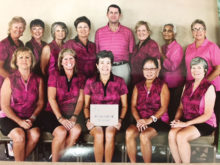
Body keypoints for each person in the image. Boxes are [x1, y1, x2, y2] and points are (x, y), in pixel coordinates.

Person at [168, 57, 216, 163]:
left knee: (181, 136)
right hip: (187, 119)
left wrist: (185, 124)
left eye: (199, 68)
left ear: (205, 70)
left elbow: (207, 114)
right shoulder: (187, 85)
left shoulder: (209, 87)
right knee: (171, 134)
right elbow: (181, 107)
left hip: (205, 122)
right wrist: (176, 121)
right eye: (193, 68)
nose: (196, 71)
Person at [0, 47, 44, 161]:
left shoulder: (38, 80)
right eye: (21, 57)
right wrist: (19, 122)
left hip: (29, 117)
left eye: (27, 57)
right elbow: (5, 106)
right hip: (10, 117)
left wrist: (32, 119)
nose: (24, 60)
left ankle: (18, 161)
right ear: (16, 61)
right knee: (19, 136)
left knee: (35, 135)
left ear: (32, 60)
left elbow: (40, 102)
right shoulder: (9, 80)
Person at [40, 48, 84, 162]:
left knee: (76, 130)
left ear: (75, 60)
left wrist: (74, 116)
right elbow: (51, 98)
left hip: (71, 113)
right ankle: (55, 162)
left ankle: (57, 158)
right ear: (61, 61)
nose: (68, 61)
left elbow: (80, 100)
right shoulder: (54, 75)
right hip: (52, 112)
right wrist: (61, 119)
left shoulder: (81, 77)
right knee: (61, 132)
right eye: (65, 59)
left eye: (71, 58)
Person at [84, 50, 128, 162]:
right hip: (95, 121)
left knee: (109, 133)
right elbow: (86, 106)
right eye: (102, 63)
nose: (105, 66)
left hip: (113, 121)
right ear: (97, 66)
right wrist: (88, 120)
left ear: (111, 64)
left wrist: (120, 120)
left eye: (108, 63)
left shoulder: (120, 81)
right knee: (98, 134)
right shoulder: (90, 82)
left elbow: (125, 106)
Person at [126, 57, 170, 163]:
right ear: (142, 70)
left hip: (158, 120)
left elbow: (164, 107)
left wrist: (150, 120)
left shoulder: (163, 85)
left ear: (157, 70)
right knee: (129, 132)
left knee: (144, 135)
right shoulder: (137, 86)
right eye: (146, 69)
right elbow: (133, 106)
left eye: (152, 69)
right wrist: (139, 120)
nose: (149, 72)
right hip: (141, 120)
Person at [185, 19, 220, 147]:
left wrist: (203, 83)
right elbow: (189, 70)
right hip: (194, 91)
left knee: (211, 119)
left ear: (205, 31)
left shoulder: (212, 46)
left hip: (212, 89)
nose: (197, 31)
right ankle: (194, 147)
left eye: (200, 28)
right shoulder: (189, 48)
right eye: (194, 29)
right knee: (195, 119)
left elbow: (218, 68)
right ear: (192, 32)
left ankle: (213, 148)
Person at [95, 4, 135, 85]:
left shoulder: (128, 32)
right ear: (107, 14)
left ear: (119, 15)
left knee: (123, 94)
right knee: (105, 93)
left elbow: (132, 53)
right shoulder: (99, 32)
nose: (113, 15)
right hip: (105, 68)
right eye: (111, 12)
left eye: (116, 13)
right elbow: (97, 53)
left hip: (122, 67)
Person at [161, 23, 185, 120]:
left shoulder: (178, 48)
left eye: (169, 31)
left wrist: (161, 54)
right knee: (165, 109)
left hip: (175, 85)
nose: (166, 33)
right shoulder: (162, 47)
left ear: (174, 34)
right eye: (165, 30)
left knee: (173, 109)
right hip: (164, 84)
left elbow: (172, 67)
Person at [130, 21, 161, 86]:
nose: (141, 33)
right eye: (139, 30)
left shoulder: (152, 44)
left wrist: (151, 86)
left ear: (148, 32)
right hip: (136, 81)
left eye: (143, 30)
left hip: (147, 83)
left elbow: (158, 67)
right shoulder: (136, 46)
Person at [0, 16, 26, 87]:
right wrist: (13, 80)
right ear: (10, 28)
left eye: (21, 27)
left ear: (23, 30)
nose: (18, 30)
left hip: (18, 80)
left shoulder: (21, 43)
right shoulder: (3, 44)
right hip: (5, 82)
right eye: (16, 27)